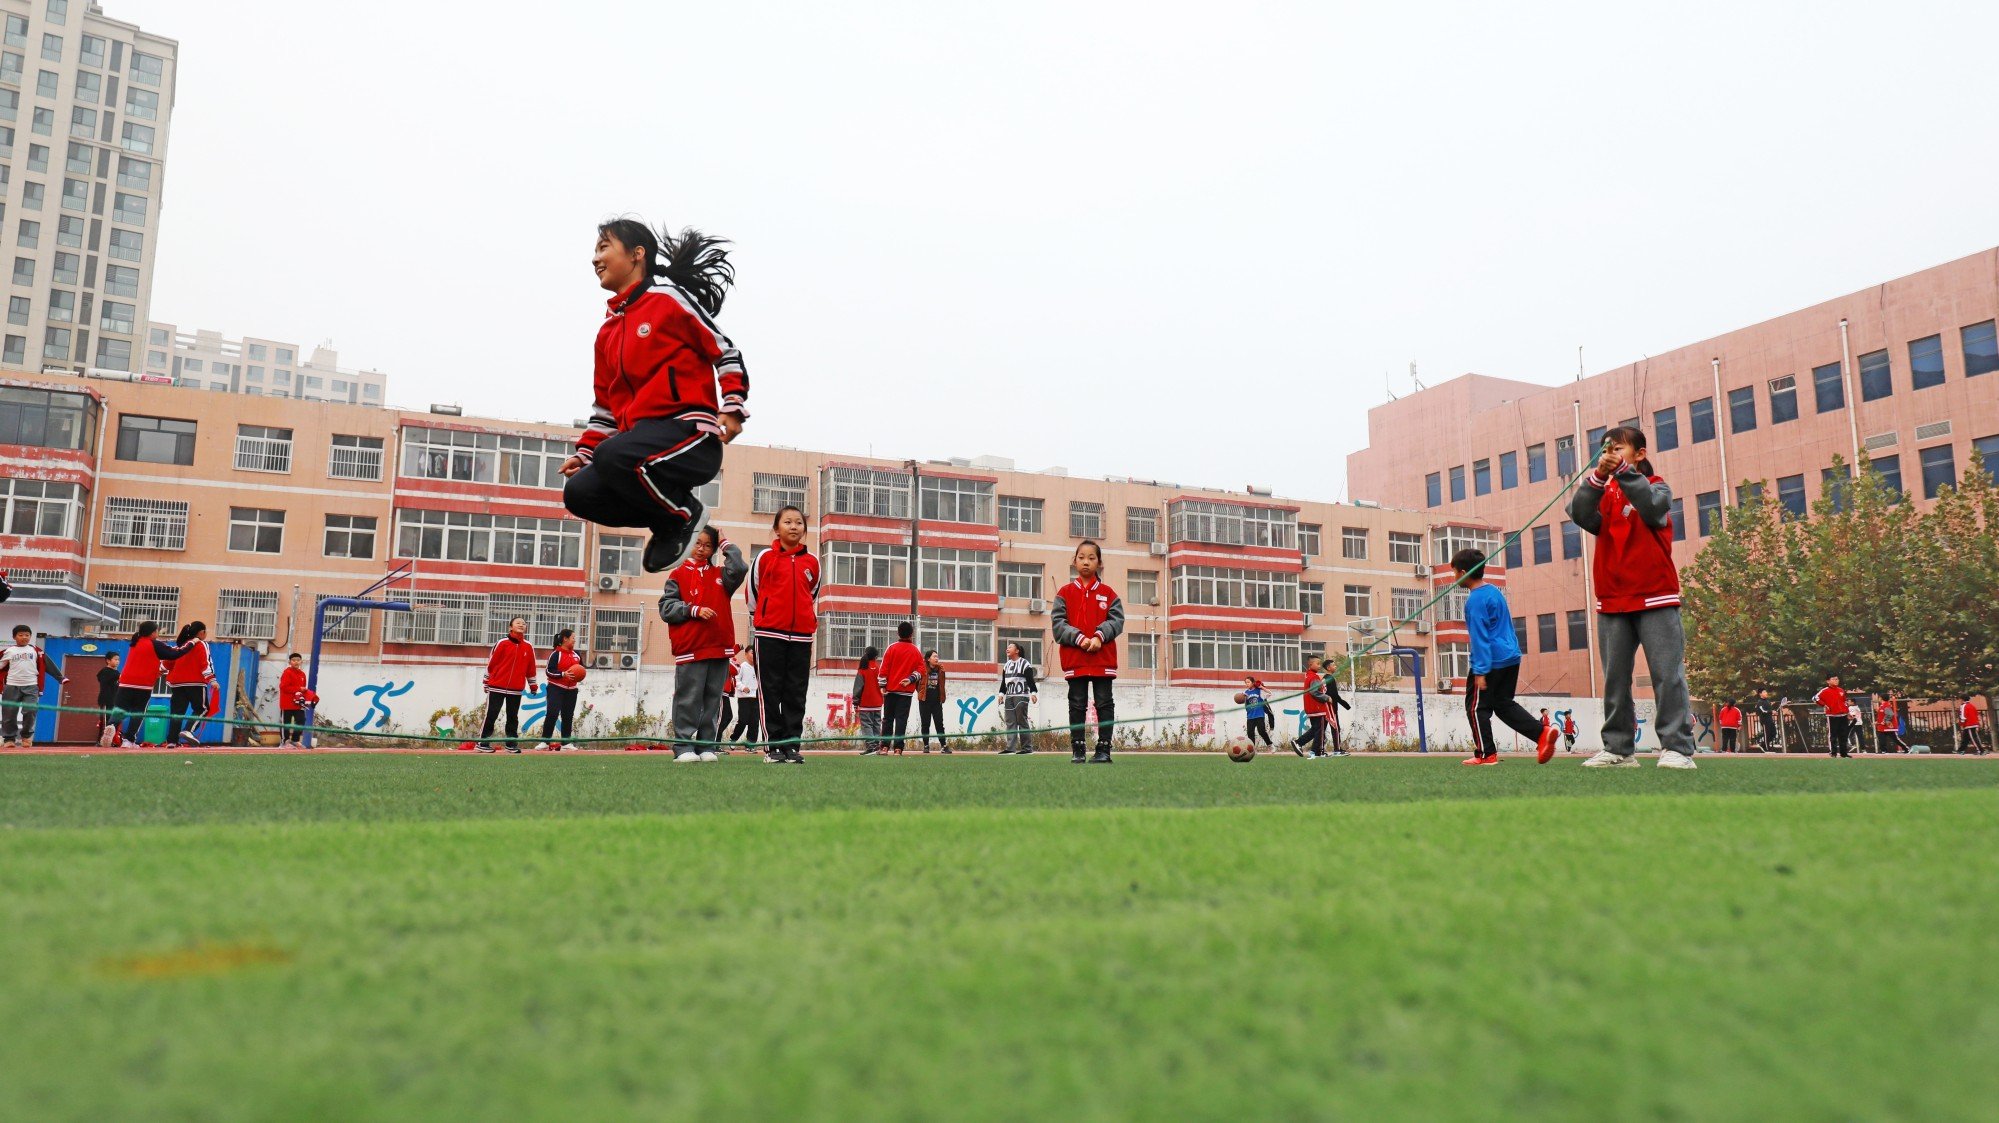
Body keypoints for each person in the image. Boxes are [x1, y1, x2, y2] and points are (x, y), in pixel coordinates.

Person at [559, 220, 749, 575]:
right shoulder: (608, 331)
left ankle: (682, 516)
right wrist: (584, 453)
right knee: (579, 493)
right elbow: (605, 410)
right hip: (639, 445)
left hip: (690, 436)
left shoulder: (666, 300)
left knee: (613, 454)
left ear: (636, 254)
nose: (595, 259)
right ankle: (670, 519)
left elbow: (724, 350)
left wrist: (733, 405)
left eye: (604, 248)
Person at [1569, 426, 1699, 770]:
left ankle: (1677, 748)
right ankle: (1619, 749)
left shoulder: (1657, 487)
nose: (1609, 455)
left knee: (1666, 675)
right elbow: (1580, 514)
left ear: (1639, 454)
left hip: (1656, 596)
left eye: (1617, 449)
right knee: (1615, 679)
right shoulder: (1606, 494)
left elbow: (1653, 507)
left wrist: (1624, 473)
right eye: (1604, 451)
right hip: (1612, 599)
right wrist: (1598, 476)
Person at [1453, 548, 1559, 766]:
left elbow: (1480, 638)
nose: (1454, 577)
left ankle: (1485, 754)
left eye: (1454, 572)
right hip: (1511, 656)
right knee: (1502, 703)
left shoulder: (1474, 601)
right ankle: (1541, 733)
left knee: (1476, 707)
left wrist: (1480, 670)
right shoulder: (1494, 591)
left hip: (1490, 661)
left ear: (1464, 572)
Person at [660, 527, 747, 762]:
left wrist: (726, 544)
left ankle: (706, 746)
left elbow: (740, 567)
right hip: (690, 648)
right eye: (697, 543)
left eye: (708, 545)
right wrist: (693, 609)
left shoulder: (722, 575)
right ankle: (683, 747)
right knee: (688, 699)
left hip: (719, 647)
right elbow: (666, 608)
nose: (701, 549)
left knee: (713, 699)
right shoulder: (677, 574)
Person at [747, 505, 818, 764]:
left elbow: (811, 594)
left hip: (801, 636)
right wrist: (763, 620)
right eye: (787, 522)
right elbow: (753, 594)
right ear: (776, 528)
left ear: (804, 530)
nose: (793, 526)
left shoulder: (812, 562)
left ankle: (791, 746)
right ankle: (772, 747)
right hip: (768, 634)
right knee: (770, 690)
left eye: (798, 522)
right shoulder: (764, 558)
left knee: (796, 692)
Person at [1052, 540, 1124, 764]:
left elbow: (1117, 620)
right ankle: (1078, 748)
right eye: (1081, 557)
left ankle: (1104, 749)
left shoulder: (1108, 593)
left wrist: (1099, 637)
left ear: (1099, 563)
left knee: (1104, 703)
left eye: (1091, 558)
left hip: (1103, 659)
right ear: (1074, 561)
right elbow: (1058, 625)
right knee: (1077, 703)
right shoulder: (1064, 593)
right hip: (1076, 660)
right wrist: (1080, 638)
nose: (1086, 562)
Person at [470, 617, 539, 753]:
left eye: (524, 623)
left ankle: (511, 744)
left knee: (513, 717)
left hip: (516, 689)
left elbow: (531, 668)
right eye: (518, 623)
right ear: (510, 627)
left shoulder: (528, 646)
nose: (521, 625)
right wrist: (486, 681)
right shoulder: (502, 643)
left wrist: (533, 685)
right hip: (497, 685)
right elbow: (492, 663)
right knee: (492, 713)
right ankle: (482, 743)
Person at [112, 621, 186, 747]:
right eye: (157, 631)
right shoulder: (155, 644)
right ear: (153, 633)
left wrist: (156, 671)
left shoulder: (134, 642)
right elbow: (174, 654)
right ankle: (128, 740)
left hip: (125, 682)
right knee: (138, 712)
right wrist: (191, 644)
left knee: (120, 710)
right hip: (143, 685)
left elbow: (146, 661)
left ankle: (111, 727)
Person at [2, 624, 65, 748]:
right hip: (11, 686)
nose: (24, 637)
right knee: (9, 713)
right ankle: (9, 739)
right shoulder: (9, 651)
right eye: (20, 635)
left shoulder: (36, 651)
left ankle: (26, 737)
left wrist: (60, 678)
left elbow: (49, 665)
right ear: (14, 637)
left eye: (27, 635)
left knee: (30, 711)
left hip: (31, 686)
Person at [162, 621, 216, 747]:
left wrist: (159, 672)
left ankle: (171, 741)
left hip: (177, 684)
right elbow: (206, 663)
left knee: (176, 712)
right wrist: (212, 680)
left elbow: (167, 663)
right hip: (195, 682)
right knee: (202, 708)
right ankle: (188, 730)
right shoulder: (201, 644)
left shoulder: (179, 646)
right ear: (201, 633)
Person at [878, 622, 925, 756]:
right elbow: (921, 671)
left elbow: (883, 669)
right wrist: (910, 679)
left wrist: (882, 686)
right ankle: (898, 749)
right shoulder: (915, 650)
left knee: (887, 719)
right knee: (901, 720)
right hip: (906, 693)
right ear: (912, 634)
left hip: (890, 691)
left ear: (898, 633)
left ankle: (884, 748)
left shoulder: (891, 648)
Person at [537, 628, 584, 751]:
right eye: (573, 638)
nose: (575, 640)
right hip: (556, 688)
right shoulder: (556, 654)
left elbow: (581, 670)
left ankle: (566, 743)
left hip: (572, 690)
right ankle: (545, 741)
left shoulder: (577, 654)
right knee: (552, 713)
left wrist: (581, 674)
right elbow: (549, 671)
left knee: (568, 715)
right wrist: (563, 674)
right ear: (565, 639)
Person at [999, 642, 1039, 754]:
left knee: (1022, 721)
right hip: (1009, 696)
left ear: (1017, 651)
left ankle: (1027, 748)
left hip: (1021, 696)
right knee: (1010, 722)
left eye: (1010, 647)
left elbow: (1031, 681)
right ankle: (1010, 748)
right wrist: (1001, 695)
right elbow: (1004, 682)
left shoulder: (1025, 664)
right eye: (1007, 647)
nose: (1007, 648)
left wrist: (1033, 693)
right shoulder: (1006, 665)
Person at [852, 647, 886, 755]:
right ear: (876, 657)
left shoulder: (862, 669)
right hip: (877, 703)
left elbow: (858, 688)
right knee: (876, 724)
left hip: (865, 703)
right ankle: (876, 746)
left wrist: (855, 702)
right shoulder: (879, 668)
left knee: (867, 725)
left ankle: (870, 747)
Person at [1294, 655, 1329, 758]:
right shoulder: (1314, 677)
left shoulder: (1308, 676)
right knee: (1320, 730)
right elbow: (1315, 692)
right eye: (1317, 664)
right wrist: (1327, 698)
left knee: (1316, 729)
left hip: (1311, 709)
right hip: (1318, 708)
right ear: (1310, 664)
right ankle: (1315, 751)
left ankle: (1306, 746)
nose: (1319, 666)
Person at [917, 650, 951, 753]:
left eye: (937, 656)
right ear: (928, 659)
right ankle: (926, 745)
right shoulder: (922, 669)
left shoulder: (941, 669)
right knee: (925, 723)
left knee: (939, 723)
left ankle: (943, 745)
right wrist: (921, 693)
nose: (937, 658)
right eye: (934, 656)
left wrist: (942, 697)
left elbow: (942, 684)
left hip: (936, 702)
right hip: (924, 701)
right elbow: (917, 685)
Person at [1318, 659, 1354, 756]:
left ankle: (1320, 750)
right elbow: (1334, 695)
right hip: (1331, 707)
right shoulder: (1330, 679)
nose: (1335, 667)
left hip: (1324, 707)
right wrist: (1345, 704)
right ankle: (1337, 750)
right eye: (1334, 665)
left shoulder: (1324, 679)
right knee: (1335, 728)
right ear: (1329, 668)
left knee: (1322, 729)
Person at [726, 647, 760, 745]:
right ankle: (733, 740)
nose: (754, 655)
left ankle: (751, 744)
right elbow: (736, 680)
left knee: (754, 722)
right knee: (743, 720)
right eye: (752, 653)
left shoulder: (758, 667)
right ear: (746, 654)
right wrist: (743, 687)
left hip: (756, 698)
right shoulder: (742, 666)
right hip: (744, 698)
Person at [1814, 674, 1850, 759]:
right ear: (1828, 681)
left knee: (1843, 734)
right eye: (1833, 679)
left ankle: (1843, 753)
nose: (1836, 680)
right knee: (1833, 735)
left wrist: (1847, 712)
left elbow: (1844, 702)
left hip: (1843, 715)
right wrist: (1824, 705)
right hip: (1832, 715)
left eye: (1837, 679)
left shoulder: (1841, 690)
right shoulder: (1825, 690)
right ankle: (1833, 753)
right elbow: (1815, 698)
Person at [278, 652, 309, 750]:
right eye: (294, 660)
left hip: (298, 703)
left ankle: (295, 740)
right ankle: (284, 741)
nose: (296, 662)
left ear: (301, 661)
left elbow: (302, 689)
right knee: (285, 722)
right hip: (287, 702)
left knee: (301, 720)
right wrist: (299, 689)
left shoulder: (302, 674)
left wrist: (305, 696)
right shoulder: (287, 672)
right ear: (289, 662)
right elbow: (283, 687)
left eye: (298, 660)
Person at [94, 651, 121, 743]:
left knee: (114, 722)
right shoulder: (105, 672)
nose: (117, 661)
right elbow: (104, 679)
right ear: (108, 661)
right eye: (115, 659)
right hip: (106, 700)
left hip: (115, 700)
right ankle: (101, 742)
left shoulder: (117, 673)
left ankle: (112, 741)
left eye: (118, 660)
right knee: (106, 721)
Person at [1242, 676, 1274, 750]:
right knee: (1250, 733)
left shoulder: (1259, 691)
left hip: (1259, 715)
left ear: (1253, 683)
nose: (1247, 684)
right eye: (1245, 682)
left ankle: (1270, 745)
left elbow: (1270, 693)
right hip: (1250, 716)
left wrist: (1262, 687)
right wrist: (1242, 697)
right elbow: (1241, 700)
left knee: (1262, 731)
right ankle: (1252, 749)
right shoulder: (1245, 693)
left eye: (1248, 682)